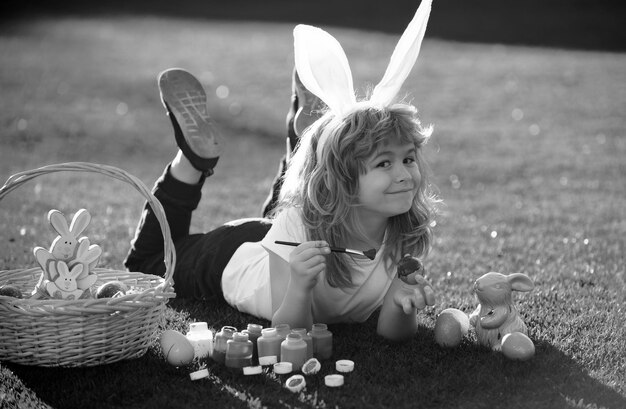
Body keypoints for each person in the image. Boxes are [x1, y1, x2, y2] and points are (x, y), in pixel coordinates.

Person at [125, 0, 438, 341]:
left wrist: (402, 304)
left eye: (408, 158)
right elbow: (288, 331)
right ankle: (193, 161)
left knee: (300, 209)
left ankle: (305, 138)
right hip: (231, 257)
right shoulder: (300, 224)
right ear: (344, 179)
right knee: (148, 264)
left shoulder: (401, 226)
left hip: (286, 231)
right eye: (384, 163)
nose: (405, 174)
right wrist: (300, 288)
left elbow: (392, 335)